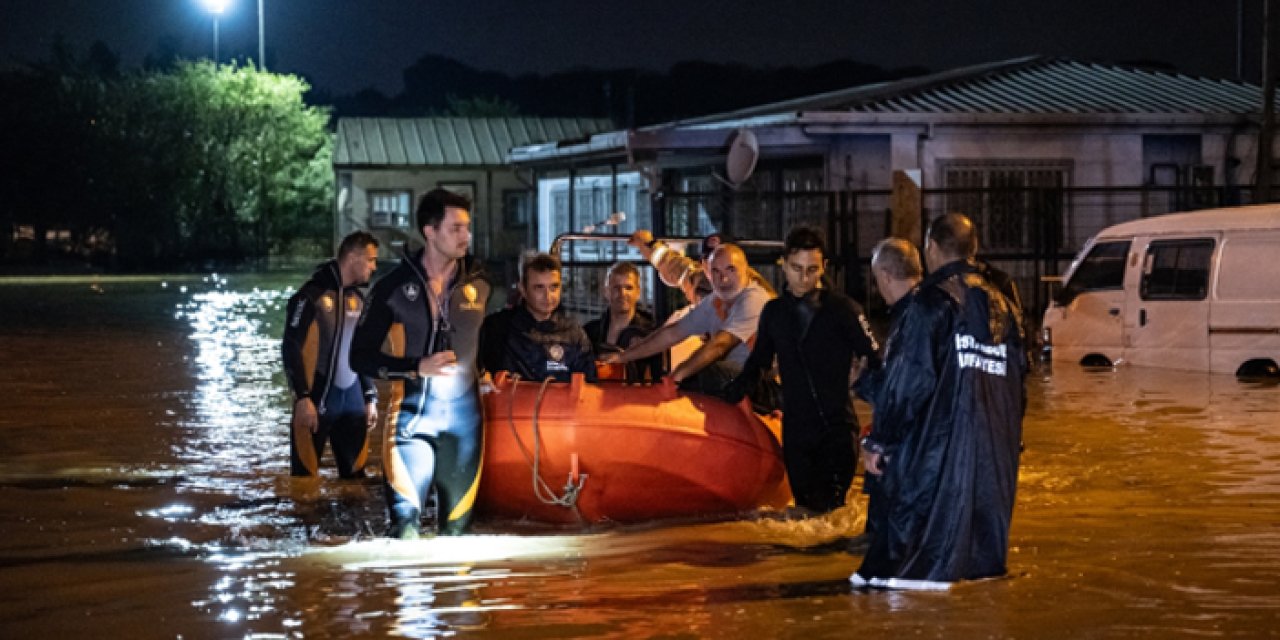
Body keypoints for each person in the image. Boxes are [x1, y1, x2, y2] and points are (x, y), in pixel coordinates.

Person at [850, 213, 1026, 590]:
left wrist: (878, 442)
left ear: (930, 248)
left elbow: (908, 385)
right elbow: (1018, 390)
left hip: (934, 468)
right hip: (993, 469)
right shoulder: (1005, 306)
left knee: (895, 581)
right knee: (979, 583)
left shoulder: (930, 303)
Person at [349, 188, 492, 539]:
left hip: (466, 429)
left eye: (467, 228)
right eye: (456, 228)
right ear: (430, 231)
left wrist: (490, 370)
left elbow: (486, 339)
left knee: (458, 540)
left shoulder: (481, 284)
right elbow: (359, 357)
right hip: (411, 427)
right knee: (406, 536)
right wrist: (416, 367)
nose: (466, 236)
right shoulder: (392, 288)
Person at [723, 227, 880, 514]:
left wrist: (878, 410)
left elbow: (876, 359)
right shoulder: (774, 312)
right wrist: (730, 394)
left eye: (812, 270)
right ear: (783, 263)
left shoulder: (843, 309)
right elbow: (758, 362)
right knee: (805, 515)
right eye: (797, 269)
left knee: (831, 517)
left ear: (824, 267)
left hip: (837, 431)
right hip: (797, 432)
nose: (805, 278)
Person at [602, 243, 775, 406]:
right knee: (698, 373)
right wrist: (623, 357)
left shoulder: (754, 299)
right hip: (735, 376)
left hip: (762, 383)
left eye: (730, 270)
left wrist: (678, 375)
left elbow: (720, 344)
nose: (723, 278)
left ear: (746, 271)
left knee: (703, 373)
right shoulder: (714, 301)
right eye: (715, 271)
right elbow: (672, 333)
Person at [281, 231, 381, 479]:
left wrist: (369, 396)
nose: (374, 267)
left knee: (355, 488)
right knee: (304, 488)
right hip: (316, 402)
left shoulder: (358, 298)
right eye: (370, 259)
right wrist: (303, 397)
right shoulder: (309, 297)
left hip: (354, 405)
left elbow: (362, 351)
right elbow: (290, 347)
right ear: (352, 257)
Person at [850, 237, 924, 539]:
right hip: (922, 451)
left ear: (885, 276)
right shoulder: (929, 310)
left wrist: (860, 382)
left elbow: (901, 393)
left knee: (883, 541)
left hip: (901, 454)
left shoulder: (912, 319)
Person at [479, 253, 598, 383]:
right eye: (539, 288)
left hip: (561, 403)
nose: (548, 296)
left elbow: (589, 388)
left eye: (554, 287)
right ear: (523, 289)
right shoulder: (498, 328)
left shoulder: (574, 334)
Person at [582, 261, 665, 382]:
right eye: (616, 288)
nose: (622, 293)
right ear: (606, 291)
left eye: (628, 288)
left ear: (638, 292)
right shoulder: (589, 332)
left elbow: (659, 380)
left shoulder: (651, 334)